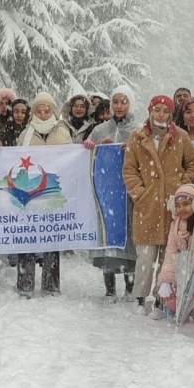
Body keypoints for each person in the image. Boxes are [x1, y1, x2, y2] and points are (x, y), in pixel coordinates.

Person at [122, 95, 194, 315]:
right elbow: (129, 170)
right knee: (145, 256)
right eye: (157, 110)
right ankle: (140, 297)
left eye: (165, 111)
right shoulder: (137, 137)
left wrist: (182, 188)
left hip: (172, 207)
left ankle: (161, 298)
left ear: (171, 114)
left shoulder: (181, 137)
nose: (160, 114)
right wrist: (140, 193)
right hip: (147, 207)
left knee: (168, 256)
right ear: (150, 111)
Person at [84, 85, 141, 299]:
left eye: (123, 101)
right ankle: (109, 289)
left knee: (129, 237)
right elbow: (87, 155)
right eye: (115, 101)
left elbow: (148, 156)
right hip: (108, 192)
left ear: (131, 104)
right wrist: (97, 148)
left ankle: (130, 287)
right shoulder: (100, 130)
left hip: (128, 192)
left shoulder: (139, 129)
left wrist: (133, 149)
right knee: (107, 238)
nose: (119, 106)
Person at [16, 92, 74, 296]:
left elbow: (73, 160)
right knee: (27, 236)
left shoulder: (63, 133)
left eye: (46, 110)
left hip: (53, 193)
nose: (42, 114)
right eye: (38, 111)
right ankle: (25, 282)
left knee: (52, 235)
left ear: (53, 111)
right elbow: (14, 161)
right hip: (30, 192)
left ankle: (51, 284)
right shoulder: (26, 135)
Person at [156, 184, 194, 322]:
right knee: (173, 304)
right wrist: (166, 281)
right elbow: (171, 253)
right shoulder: (176, 226)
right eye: (178, 205)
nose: (181, 209)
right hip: (183, 274)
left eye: (186, 204)